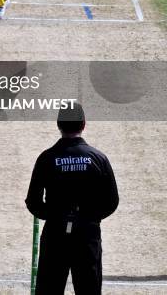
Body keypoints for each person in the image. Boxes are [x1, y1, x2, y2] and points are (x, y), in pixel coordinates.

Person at [25, 103, 119, 295]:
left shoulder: (46, 158)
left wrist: (54, 215)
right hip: (87, 234)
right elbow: (112, 200)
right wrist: (90, 218)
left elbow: (33, 201)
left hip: (55, 234)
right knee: (89, 290)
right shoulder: (98, 158)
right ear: (84, 124)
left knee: (49, 290)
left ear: (58, 124)